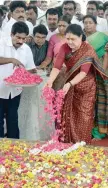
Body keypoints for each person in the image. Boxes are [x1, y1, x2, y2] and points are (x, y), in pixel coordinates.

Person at [46, 24, 108, 144]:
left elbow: (84, 73)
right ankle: (68, 144)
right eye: (67, 38)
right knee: (68, 115)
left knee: (84, 117)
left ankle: (82, 145)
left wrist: (69, 83)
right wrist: (50, 81)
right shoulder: (64, 47)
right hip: (70, 84)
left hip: (86, 88)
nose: (70, 42)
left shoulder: (87, 50)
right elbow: (57, 67)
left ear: (81, 37)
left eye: (73, 39)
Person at [0, 21, 36, 139]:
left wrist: (32, 74)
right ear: (11, 34)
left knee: (13, 121)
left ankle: (14, 149)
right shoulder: (2, 43)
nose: (20, 41)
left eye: (23, 38)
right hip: (0, 89)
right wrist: (11, 60)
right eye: (18, 37)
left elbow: (31, 69)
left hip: (15, 91)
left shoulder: (26, 49)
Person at [18, 25, 54, 141]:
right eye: (37, 37)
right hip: (28, 78)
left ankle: (41, 134)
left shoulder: (48, 45)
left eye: (43, 37)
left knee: (42, 107)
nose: (40, 40)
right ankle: (27, 133)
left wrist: (45, 67)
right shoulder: (26, 44)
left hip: (43, 78)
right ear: (33, 36)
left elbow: (50, 59)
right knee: (30, 106)